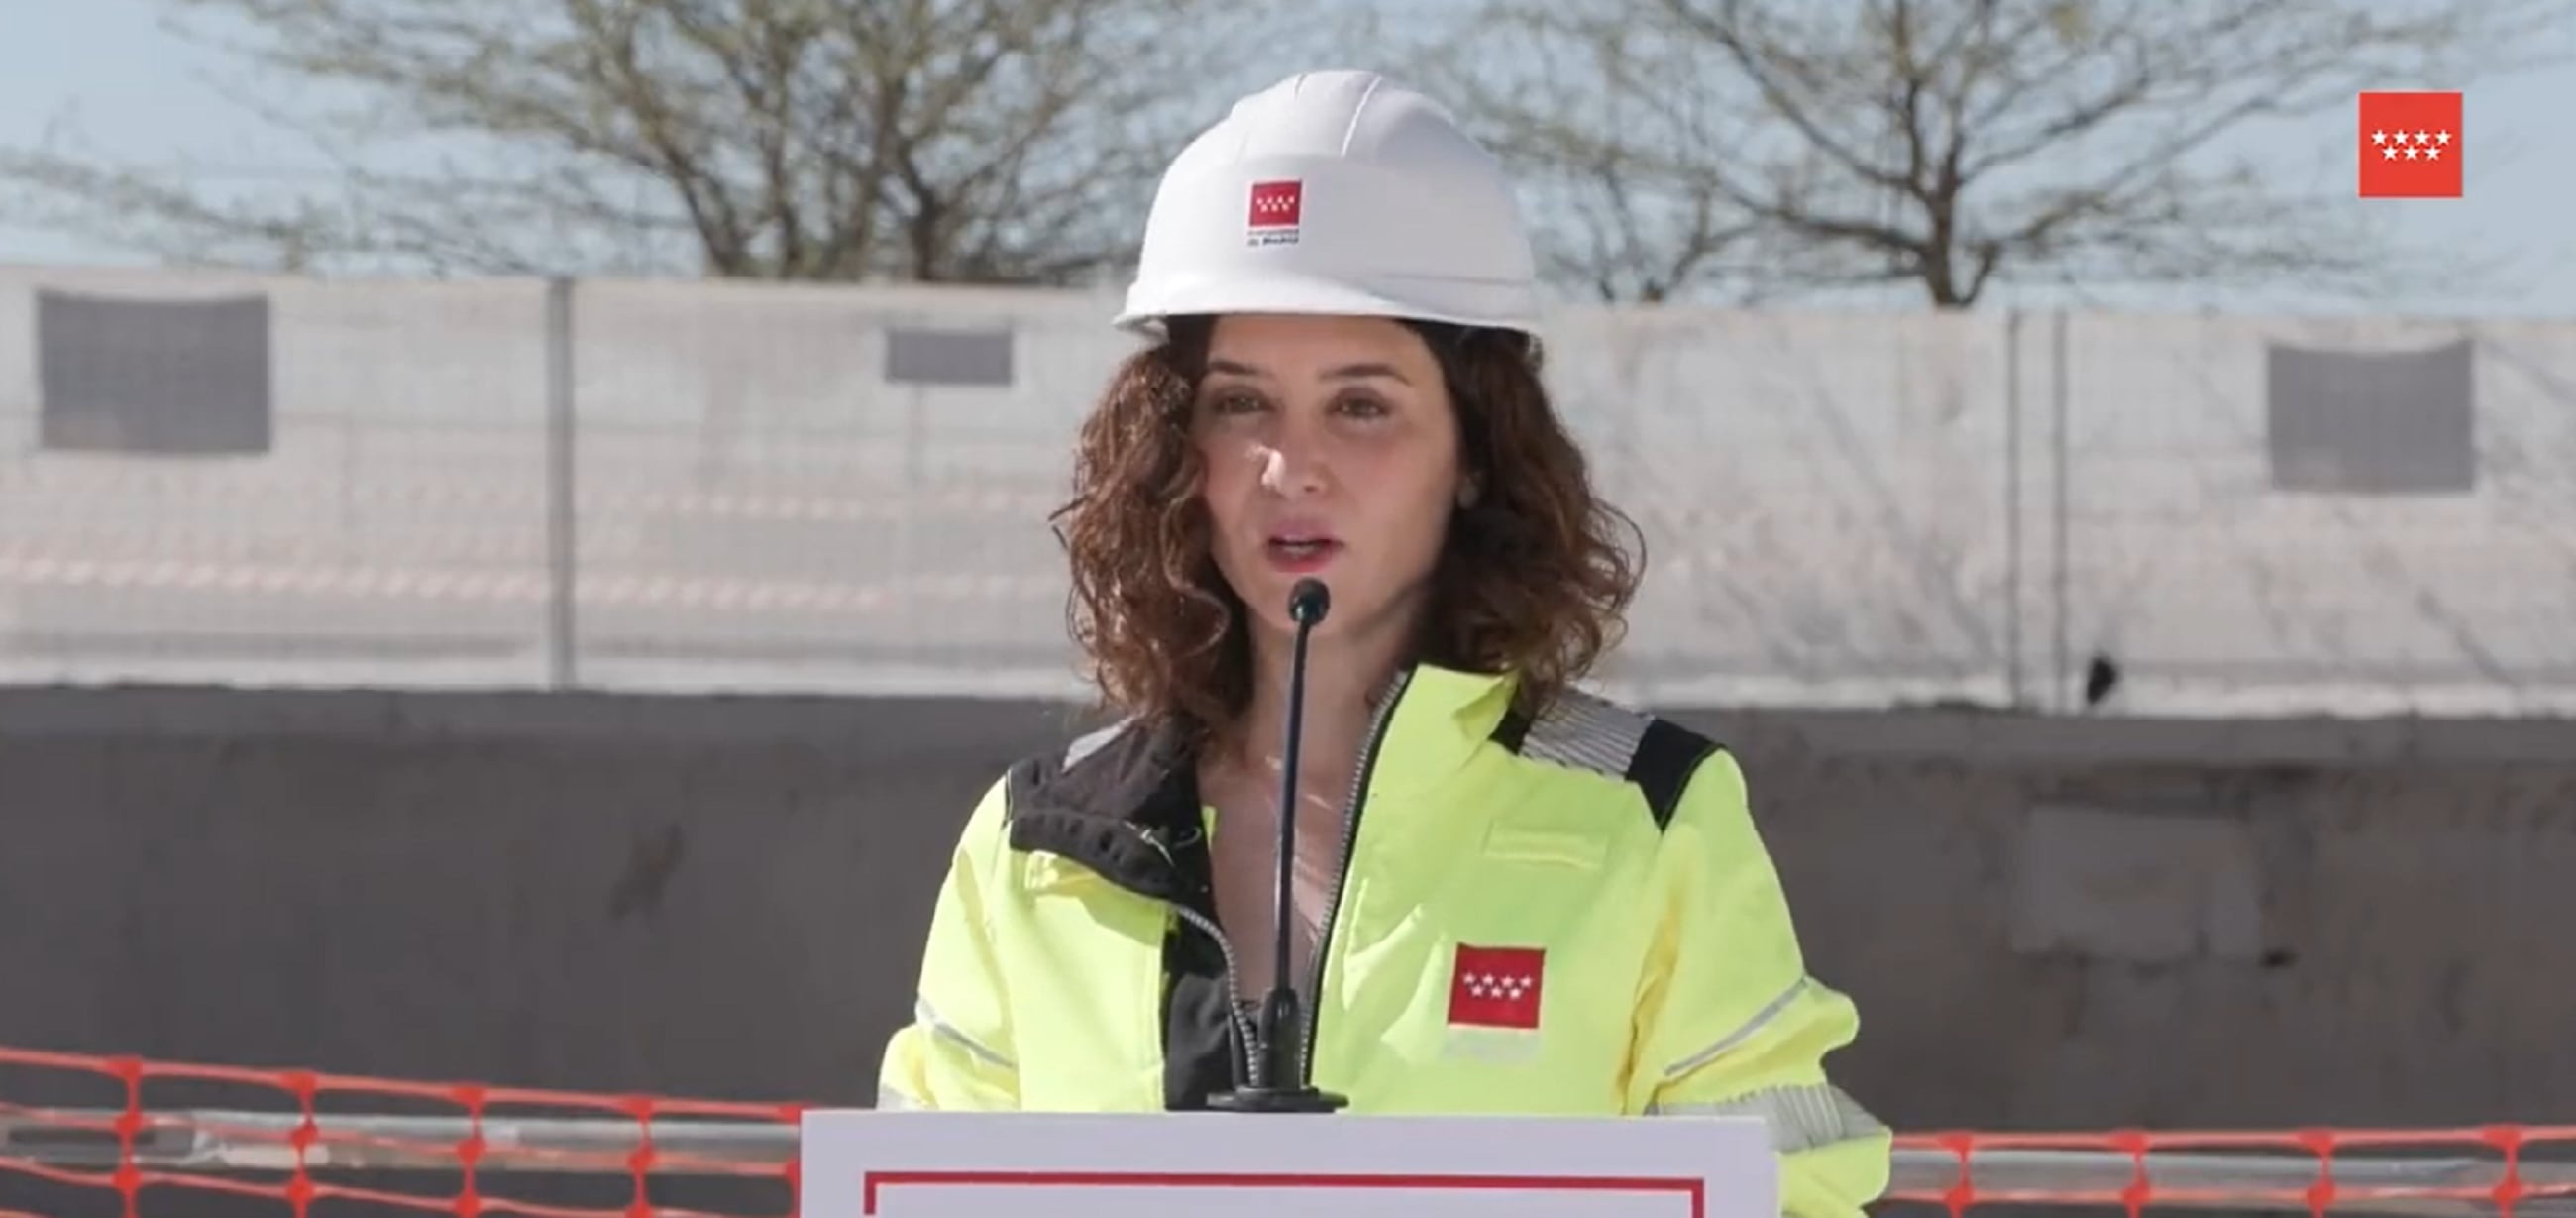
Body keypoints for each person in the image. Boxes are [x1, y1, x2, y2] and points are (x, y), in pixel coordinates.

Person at [876, 68, 1890, 1218]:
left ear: (1474, 451)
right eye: (1239, 402)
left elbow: (1793, 1194)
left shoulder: (1648, 820)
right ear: (1175, 444)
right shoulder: (1038, 845)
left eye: (1360, 405)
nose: (1289, 465)